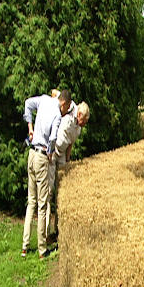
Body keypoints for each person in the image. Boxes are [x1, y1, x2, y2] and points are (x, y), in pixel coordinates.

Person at [21, 89, 72, 259]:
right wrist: (50, 153)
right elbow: (52, 139)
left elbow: (28, 103)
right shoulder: (57, 115)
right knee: (43, 206)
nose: (65, 113)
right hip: (42, 157)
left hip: (31, 154)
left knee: (31, 202)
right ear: (63, 103)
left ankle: (24, 246)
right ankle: (43, 250)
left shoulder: (43, 100)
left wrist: (30, 127)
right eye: (66, 109)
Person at [46, 101, 90, 236]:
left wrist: (67, 161)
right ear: (80, 115)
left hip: (62, 154)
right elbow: (57, 96)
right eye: (85, 120)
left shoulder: (79, 129)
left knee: (61, 192)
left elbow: (70, 143)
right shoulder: (70, 112)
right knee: (49, 192)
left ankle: (58, 230)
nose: (85, 123)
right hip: (53, 151)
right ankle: (45, 232)